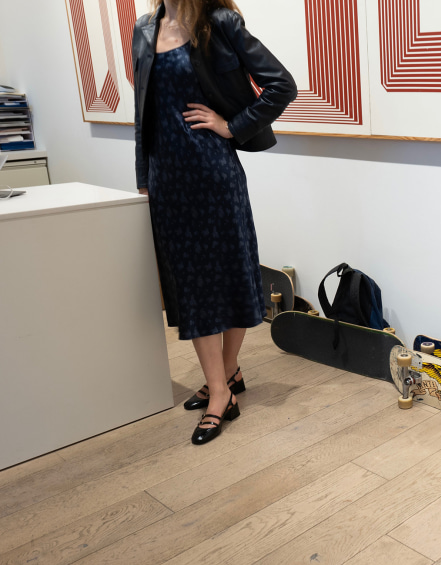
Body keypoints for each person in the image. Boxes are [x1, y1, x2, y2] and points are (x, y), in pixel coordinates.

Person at [132, 0, 296, 445]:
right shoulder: (145, 30)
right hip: (168, 181)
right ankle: (226, 378)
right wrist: (145, 178)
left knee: (230, 276)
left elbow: (282, 85)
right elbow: (141, 112)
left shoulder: (219, 24)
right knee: (193, 285)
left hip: (213, 174)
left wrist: (231, 125)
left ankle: (221, 389)